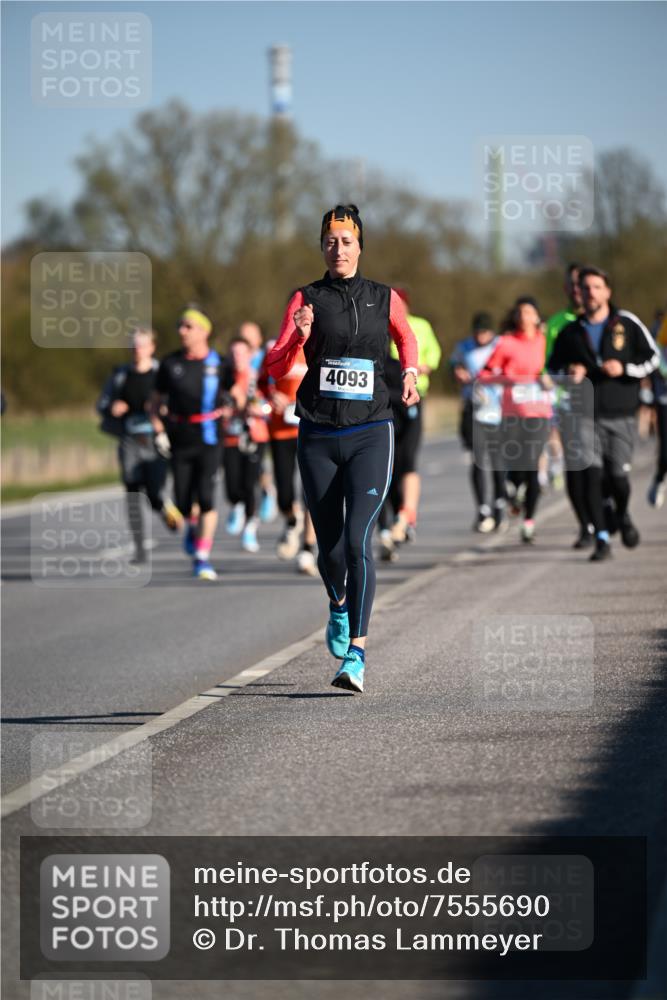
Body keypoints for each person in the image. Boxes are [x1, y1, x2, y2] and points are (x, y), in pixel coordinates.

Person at [266, 204, 419, 693]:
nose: (338, 249)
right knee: (329, 548)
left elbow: (406, 337)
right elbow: (275, 365)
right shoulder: (306, 298)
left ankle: (357, 653)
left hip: (371, 430)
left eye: (347, 241)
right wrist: (298, 338)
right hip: (318, 433)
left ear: (360, 246)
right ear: (322, 247)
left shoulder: (383, 297)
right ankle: (337, 604)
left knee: (358, 540)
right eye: (330, 242)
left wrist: (410, 372)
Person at [548, 267, 660, 560]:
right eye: (585, 288)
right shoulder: (571, 332)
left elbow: (652, 358)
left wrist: (625, 369)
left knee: (618, 478)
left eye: (597, 287)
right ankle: (601, 539)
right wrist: (568, 373)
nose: (590, 293)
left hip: (621, 413)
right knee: (592, 476)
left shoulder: (626, 323)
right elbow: (551, 369)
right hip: (584, 414)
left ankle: (621, 516)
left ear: (607, 291)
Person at [151, 306, 226, 580]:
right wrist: (158, 430)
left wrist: (240, 405)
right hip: (178, 437)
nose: (181, 331)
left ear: (204, 331)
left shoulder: (218, 363)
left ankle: (202, 557)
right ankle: (193, 526)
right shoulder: (170, 364)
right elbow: (154, 402)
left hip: (209, 437)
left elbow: (238, 390)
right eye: (180, 326)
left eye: (188, 326)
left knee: (206, 496)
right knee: (183, 502)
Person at [97, 327, 183, 562]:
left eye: (142, 345)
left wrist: (161, 410)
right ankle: (139, 548)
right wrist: (112, 407)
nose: (137, 349)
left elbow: (177, 402)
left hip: (155, 440)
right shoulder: (120, 375)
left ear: (152, 347)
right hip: (129, 439)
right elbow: (101, 404)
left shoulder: (161, 373)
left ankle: (163, 507)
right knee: (133, 493)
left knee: (154, 491)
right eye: (133, 345)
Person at [478, 298, 553, 544]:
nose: (524, 316)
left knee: (532, 463)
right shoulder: (506, 343)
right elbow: (485, 373)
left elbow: (558, 367)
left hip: (539, 412)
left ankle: (529, 522)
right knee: (516, 464)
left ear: (537, 317)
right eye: (520, 312)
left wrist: (549, 378)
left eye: (529, 312)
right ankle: (514, 487)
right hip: (512, 413)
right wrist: (505, 379)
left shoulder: (545, 341)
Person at [386, 289, 442, 546]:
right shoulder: (379, 322)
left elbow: (433, 354)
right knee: (388, 465)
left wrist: (419, 367)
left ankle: (407, 515)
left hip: (413, 397)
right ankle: (394, 517)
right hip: (386, 399)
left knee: (407, 459)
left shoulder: (420, 325)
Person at [450, 312, 505, 533]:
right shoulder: (464, 346)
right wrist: (458, 372)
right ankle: (483, 508)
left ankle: (499, 504)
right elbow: (453, 365)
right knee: (478, 458)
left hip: (498, 408)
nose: (481, 337)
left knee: (498, 458)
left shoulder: (501, 345)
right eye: (477, 333)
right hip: (474, 408)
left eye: (484, 333)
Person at [258, 335, 309, 560]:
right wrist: (272, 397)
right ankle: (291, 521)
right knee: (284, 492)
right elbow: (261, 383)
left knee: (312, 491)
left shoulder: (322, 342)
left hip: (312, 429)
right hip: (281, 430)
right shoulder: (275, 347)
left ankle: (308, 549)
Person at [221, 336, 270, 553]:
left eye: (241, 353)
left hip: (254, 435)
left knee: (250, 484)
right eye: (233, 353)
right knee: (232, 484)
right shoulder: (223, 378)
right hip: (230, 436)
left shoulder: (257, 377)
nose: (237, 357)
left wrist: (260, 409)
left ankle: (250, 527)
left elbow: (270, 403)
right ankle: (237, 505)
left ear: (251, 355)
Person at [240, 320, 279, 524]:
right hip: (247, 418)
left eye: (250, 336)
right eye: (242, 336)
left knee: (262, 461)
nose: (245, 340)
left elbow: (271, 386)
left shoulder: (265, 357)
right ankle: (244, 502)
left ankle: (267, 490)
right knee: (251, 462)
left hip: (267, 415)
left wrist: (264, 406)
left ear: (259, 338)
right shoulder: (238, 356)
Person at [647, 310, 667, 509]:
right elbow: (657, 353)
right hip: (665, 398)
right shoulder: (663, 326)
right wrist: (664, 371)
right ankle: (660, 477)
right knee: (665, 452)